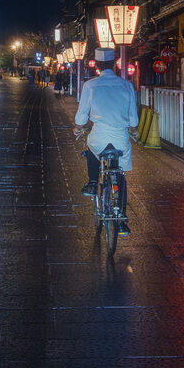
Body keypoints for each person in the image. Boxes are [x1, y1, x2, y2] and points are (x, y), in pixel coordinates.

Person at [73, 47, 139, 235]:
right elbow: (133, 119)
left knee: (91, 146)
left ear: (98, 66)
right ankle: (122, 219)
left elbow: (81, 116)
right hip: (120, 139)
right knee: (121, 176)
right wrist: (133, 129)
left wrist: (78, 127)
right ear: (113, 64)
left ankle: (93, 182)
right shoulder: (126, 85)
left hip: (100, 136)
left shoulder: (90, 85)